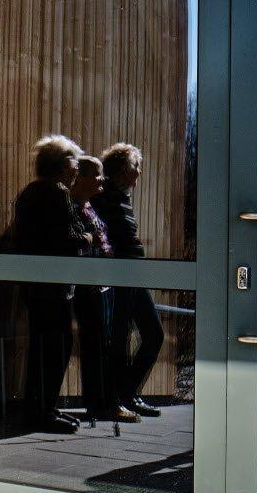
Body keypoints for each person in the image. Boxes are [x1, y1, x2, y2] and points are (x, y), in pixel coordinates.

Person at [10, 136, 87, 428]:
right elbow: (66, 238)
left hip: (36, 285)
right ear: (63, 164)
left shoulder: (30, 191)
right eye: (74, 163)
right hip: (53, 286)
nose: (77, 170)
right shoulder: (56, 192)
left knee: (43, 349)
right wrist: (86, 238)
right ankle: (44, 412)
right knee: (58, 347)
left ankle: (43, 409)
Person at [97, 144, 162, 416]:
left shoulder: (122, 197)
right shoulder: (104, 198)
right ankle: (119, 399)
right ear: (124, 171)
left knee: (154, 334)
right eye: (136, 166)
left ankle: (127, 392)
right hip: (120, 276)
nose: (139, 172)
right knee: (120, 337)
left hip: (133, 275)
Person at [69, 155, 132, 423]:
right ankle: (101, 404)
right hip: (89, 285)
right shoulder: (74, 207)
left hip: (102, 283)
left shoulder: (89, 206)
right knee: (96, 345)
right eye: (96, 174)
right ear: (80, 178)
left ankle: (106, 401)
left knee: (104, 344)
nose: (101, 179)